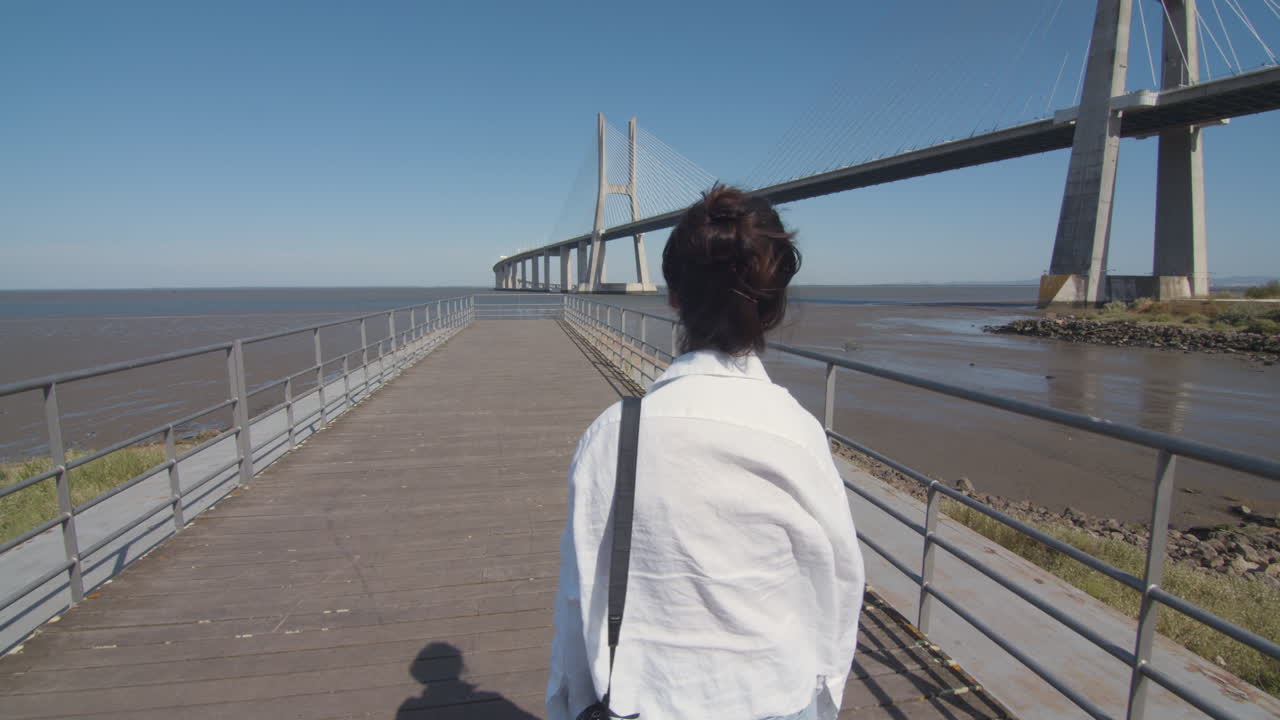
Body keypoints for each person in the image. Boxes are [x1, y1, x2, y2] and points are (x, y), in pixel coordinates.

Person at [546, 185, 865, 720]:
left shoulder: (614, 434)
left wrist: (570, 702)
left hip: (642, 703)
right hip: (774, 699)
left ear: (673, 297)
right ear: (773, 304)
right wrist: (824, 695)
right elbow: (836, 584)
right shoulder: (796, 434)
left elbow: (580, 595)